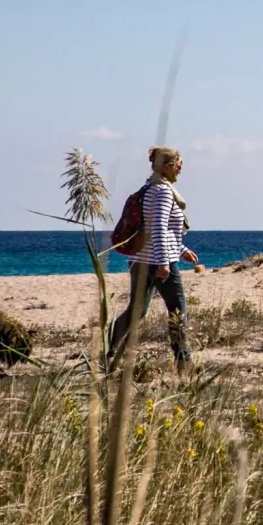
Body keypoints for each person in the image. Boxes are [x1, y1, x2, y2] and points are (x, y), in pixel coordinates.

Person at [107, 146, 198, 376]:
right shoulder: (163, 192)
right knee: (178, 310)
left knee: (137, 311)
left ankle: (106, 351)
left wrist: (182, 249)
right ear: (167, 166)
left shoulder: (149, 188)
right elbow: (157, 227)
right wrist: (164, 262)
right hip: (158, 261)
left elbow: (161, 230)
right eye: (179, 165)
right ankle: (183, 363)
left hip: (141, 260)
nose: (180, 169)